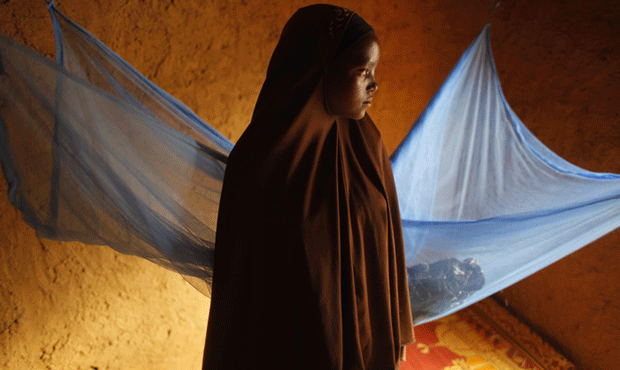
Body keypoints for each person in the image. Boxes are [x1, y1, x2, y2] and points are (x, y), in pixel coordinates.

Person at [202, 5, 415, 369]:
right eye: (362, 71)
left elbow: (389, 240)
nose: (373, 85)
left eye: (374, 72)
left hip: (365, 341)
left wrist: (393, 329)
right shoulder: (260, 168)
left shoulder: (367, 147)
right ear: (319, 70)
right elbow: (245, 301)